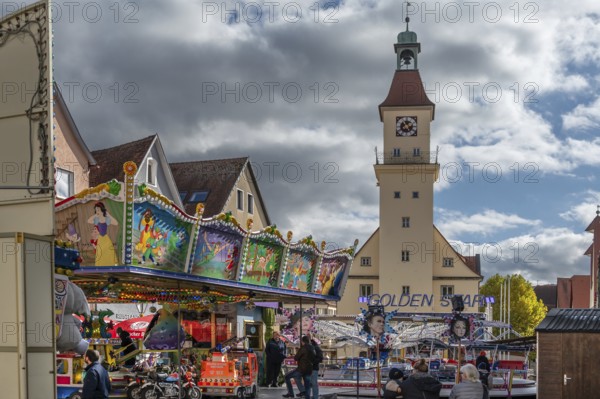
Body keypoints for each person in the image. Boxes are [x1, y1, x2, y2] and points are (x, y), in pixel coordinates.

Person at [87, 201, 119, 266]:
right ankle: (100, 265)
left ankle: (110, 264)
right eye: (96, 210)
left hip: (106, 238)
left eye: (98, 209)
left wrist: (109, 215)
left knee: (109, 252)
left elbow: (116, 223)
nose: (97, 211)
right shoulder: (96, 219)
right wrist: (95, 215)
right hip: (100, 239)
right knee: (100, 252)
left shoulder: (106, 219)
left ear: (101, 209)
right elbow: (89, 221)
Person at [307, 333, 323, 399]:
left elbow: (320, 358)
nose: (308, 338)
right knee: (308, 384)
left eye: (309, 336)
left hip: (313, 368)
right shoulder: (306, 346)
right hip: (307, 368)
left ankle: (315, 397)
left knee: (313, 383)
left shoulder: (316, 347)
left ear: (312, 337)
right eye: (307, 336)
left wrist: (313, 362)